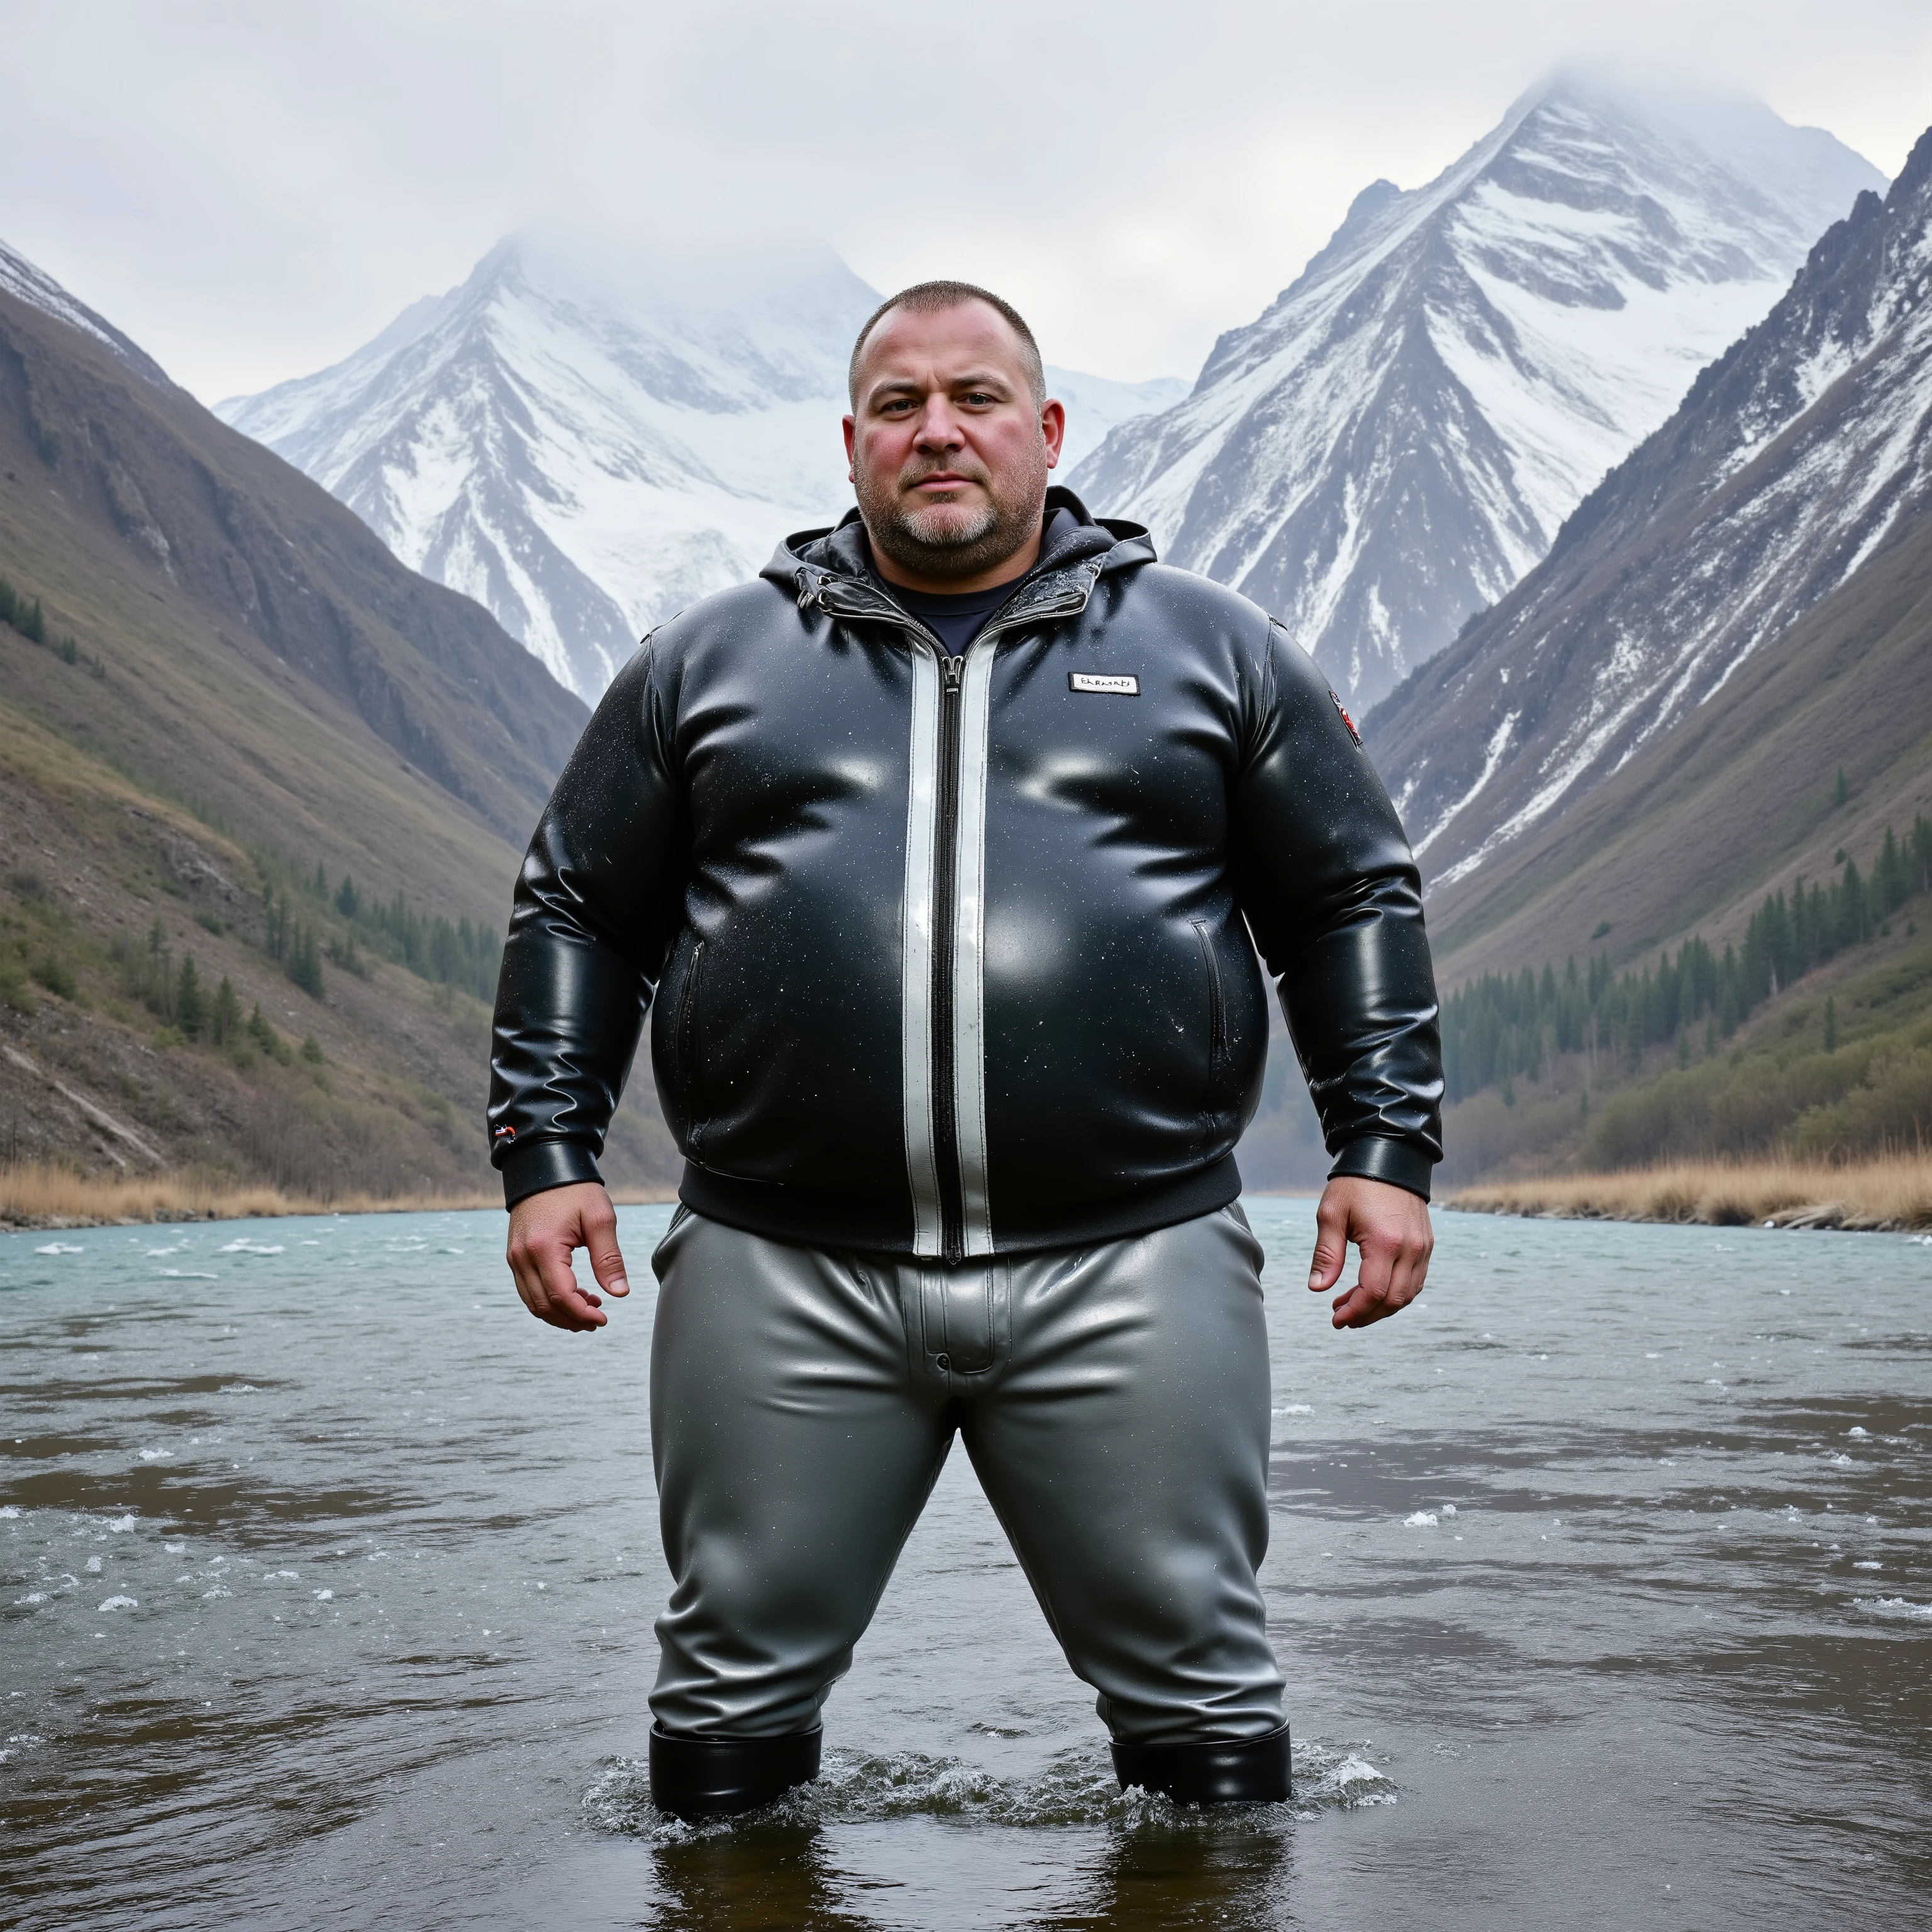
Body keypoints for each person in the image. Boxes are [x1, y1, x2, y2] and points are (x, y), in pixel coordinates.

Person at [489, 281, 1443, 1822]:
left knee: (1205, 1706)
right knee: (726, 1699)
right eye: (899, 404)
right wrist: (547, 1159)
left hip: (1135, 1259)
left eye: (977, 398)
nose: (939, 430)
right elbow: (579, 908)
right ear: (852, 443)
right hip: (778, 1266)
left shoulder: (1218, 649)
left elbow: (1348, 897)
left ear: (1047, 430)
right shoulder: (707, 660)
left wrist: (1384, 1151)